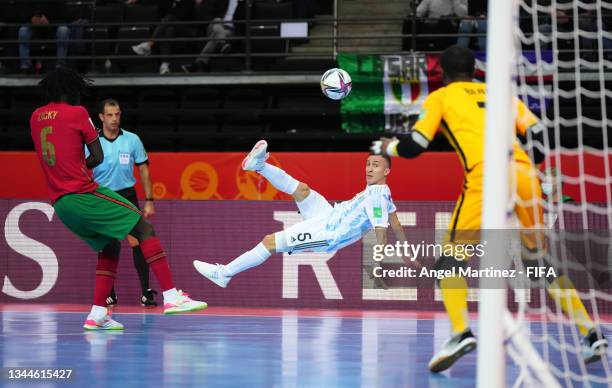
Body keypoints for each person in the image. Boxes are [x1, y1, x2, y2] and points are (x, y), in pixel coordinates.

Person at [371, 45, 608, 372]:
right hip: (525, 174)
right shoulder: (502, 95)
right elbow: (537, 134)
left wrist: (388, 147)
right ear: (475, 70)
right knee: (538, 261)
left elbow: (416, 146)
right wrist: (534, 165)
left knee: (448, 260)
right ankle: (590, 332)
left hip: (486, 175)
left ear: (441, 74)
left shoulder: (441, 98)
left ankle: (460, 332)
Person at [30, 67, 207, 330]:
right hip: (83, 193)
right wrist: (81, 164)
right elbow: (98, 157)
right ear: (71, 88)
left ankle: (98, 313)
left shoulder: (35, 117)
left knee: (110, 246)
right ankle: (171, 296)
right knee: (144, 228)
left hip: (61, 203)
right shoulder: (77, 113)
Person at [193, 140, 411, 288]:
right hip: (330, 214)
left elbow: (381, 231)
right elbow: (395, 223)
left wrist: (377, 264)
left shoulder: (378, 197)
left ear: (387, 171)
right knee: (302, 189)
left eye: (376, 165)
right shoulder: (382, 193)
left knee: (270, 242)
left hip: (326, 233)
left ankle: (224, 274)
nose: (369, 169)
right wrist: (407, 253)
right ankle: (259, 165)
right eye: (368, 164)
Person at [86, 98, 158, 307]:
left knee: (137, 241)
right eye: (109, 115)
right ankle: (110, 294)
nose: (114, 119)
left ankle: (145, 292)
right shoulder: (91, 142)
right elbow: (81, 170)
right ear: (101, 117)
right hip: (103, 196)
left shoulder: (132, 140)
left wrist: (149, 200)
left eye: (117, 114)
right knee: (108, 244)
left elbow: (143, 168)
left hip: (127, 194)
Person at [131, 0, 199, 74]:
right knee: (169, 30)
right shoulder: (165, 1)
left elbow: (185, 16)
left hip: (185, 28)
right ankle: (165, 65)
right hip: (167, 27)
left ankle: (149, 44)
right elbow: (155, 8)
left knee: (170, 17)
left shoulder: (189, 1)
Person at [181, 0, 236, 73]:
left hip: (228, 30)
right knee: (217, 21)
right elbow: (203, 13)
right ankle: (222, 43)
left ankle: (197, 64)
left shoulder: (238, 3)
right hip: (213, 25)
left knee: (216, 35)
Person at [17, 0, 71, 73]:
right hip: (33, 28)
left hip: (54, 27)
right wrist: (31, 19)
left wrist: (49, 21)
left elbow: (65, 16)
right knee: (23, 31)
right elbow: (22, 14)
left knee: (63, 30)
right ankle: (25, 67)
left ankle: (60, 66)